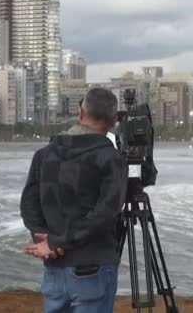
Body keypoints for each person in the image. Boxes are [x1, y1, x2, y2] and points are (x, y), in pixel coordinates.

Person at [20, 88, 128, 313]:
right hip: (93, 266)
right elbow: (105, 214)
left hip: (54, 268)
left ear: (80, 112)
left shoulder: (44, 154)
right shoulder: (110, 159)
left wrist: (44, 238)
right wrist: (54, 242)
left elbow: (29, 204)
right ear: (113, 121)